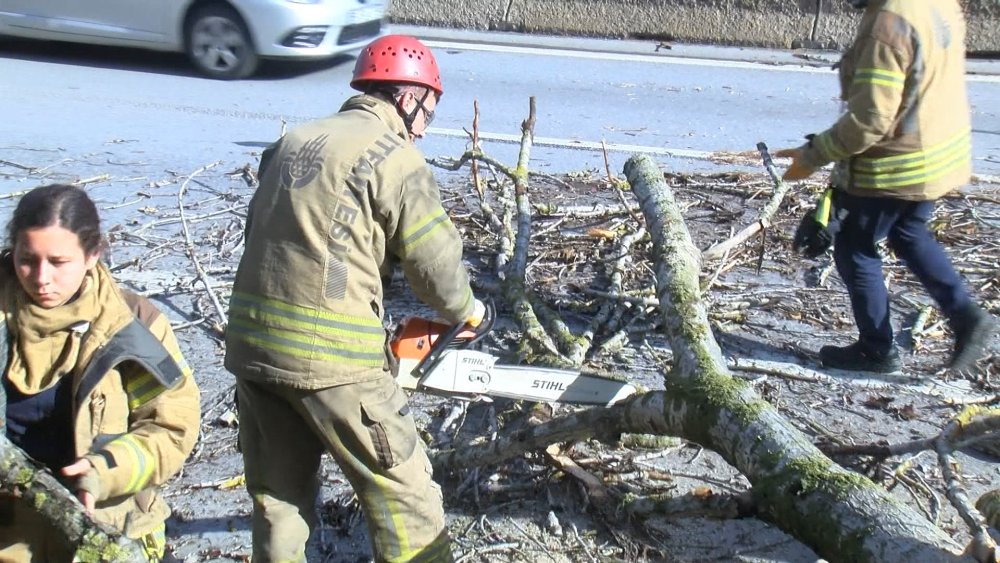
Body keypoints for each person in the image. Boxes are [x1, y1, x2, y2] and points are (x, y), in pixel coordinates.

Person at [224, 34, 485, 563]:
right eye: (428, 112)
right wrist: (469, 313)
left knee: (278, 502)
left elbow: (264, 234)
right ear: (408, 97)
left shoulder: (295, 140)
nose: (425, 127)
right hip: (333, 362)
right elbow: (434, 267)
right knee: (404, 494)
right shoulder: (395, 158)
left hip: (253, 352)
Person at [776, 0, 995, 373]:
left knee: (854, 247)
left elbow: (869, 122)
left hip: (896, 165)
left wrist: (814, 155)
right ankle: (967, 316)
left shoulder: (888, 25)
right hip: (936, 155)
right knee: (909, 232)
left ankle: (876, 350)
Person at [0, 184, 201, 561]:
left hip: (103, 534)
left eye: (59, 263)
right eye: (27, 259)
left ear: (93, 255)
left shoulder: (133, 326)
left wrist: (104, 470)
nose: (41, 278)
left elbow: (171, 426)